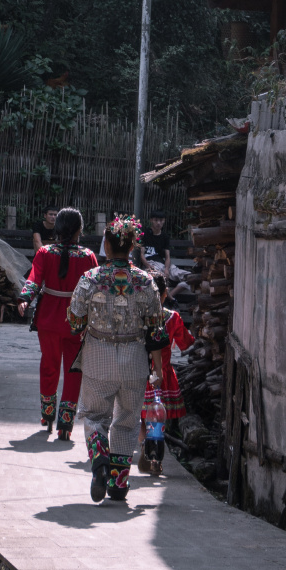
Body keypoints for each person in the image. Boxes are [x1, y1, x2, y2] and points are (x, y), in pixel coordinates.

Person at [67, 215, 169, 503]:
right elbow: (156, 328)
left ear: (107, 247)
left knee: (95, 415)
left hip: (98, 354)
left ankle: (100, 461)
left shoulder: (91, 278)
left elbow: (75, 321)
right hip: (135, 359)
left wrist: (89, 321)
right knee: (125, 421)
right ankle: (119, 485)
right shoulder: (146, 281)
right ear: (133, 245)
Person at [18, 208, 97, 438]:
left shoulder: (44, 252)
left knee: (49, 366)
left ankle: (47, 415)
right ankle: (66, 424)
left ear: (58, 227)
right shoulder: (88, 256)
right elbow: (94, 291)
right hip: (77, 321)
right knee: (74, 371)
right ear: (79, 230)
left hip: (48, 320)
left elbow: (33, 279)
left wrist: (25, 298)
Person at [138, 274, 194, 473]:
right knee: (160, 419)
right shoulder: (173, 318)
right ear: (164, 294)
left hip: (141, 374)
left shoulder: (139, 317)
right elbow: (185, 343)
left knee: (143, 417)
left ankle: (145, 445)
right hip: (164, 376)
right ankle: (156, 459)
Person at [139, 210, 172, 276]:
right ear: (151, 220)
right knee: (157, 274)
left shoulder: (165, 236)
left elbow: (167, 257)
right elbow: (141, 254)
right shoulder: (145, 234)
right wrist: (148, 266)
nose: (158, 223)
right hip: (150, 263)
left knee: (180, 273)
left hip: (162, 264)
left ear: (164, 221)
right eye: (156, 220)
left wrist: (167, 269)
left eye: (161, 220)